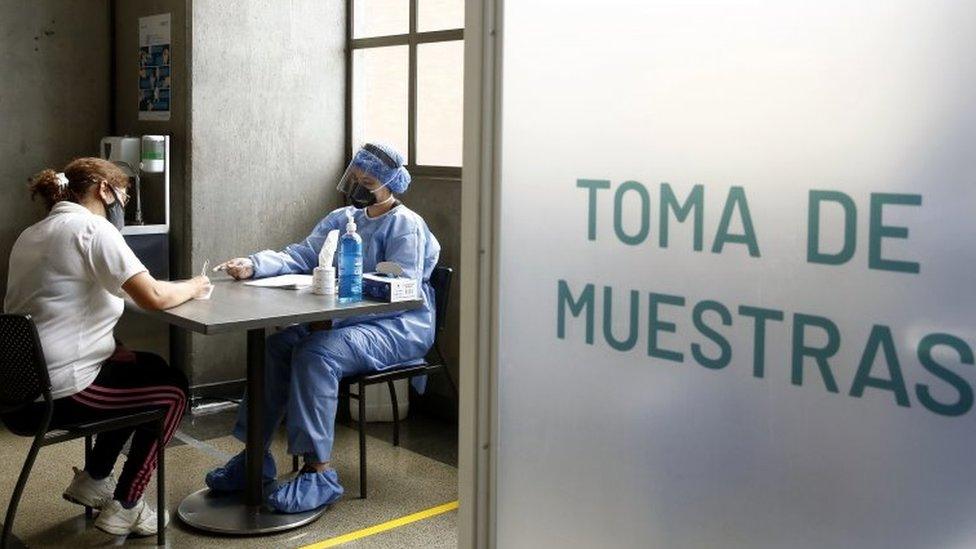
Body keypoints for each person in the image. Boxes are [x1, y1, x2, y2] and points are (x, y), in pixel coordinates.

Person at [206, 143, 440, 513]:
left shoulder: (405, 226)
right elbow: (301, 254)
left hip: (399, 325)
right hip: (339, 320)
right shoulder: (342, 218)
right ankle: (254, 458)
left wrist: (331, 317)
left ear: (389, 182)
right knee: (277, 347)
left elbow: (401, 292)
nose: (361, 185)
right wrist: (254, 264)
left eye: (369, 179)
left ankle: (319, 472)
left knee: (317, 353)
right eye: (357, 177)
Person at [2, 158, 212, 536]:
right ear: (103, 189)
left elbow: (65, 302)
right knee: (174, 391)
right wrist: (195, 285)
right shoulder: (92, 229)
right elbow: (152, 296)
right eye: (124, 196)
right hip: (60, 391)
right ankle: (127, 506)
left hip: (19, 388)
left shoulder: (33, 232)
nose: (124, 205)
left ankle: (94, 478)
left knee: (143, 367)